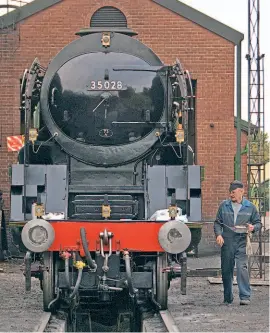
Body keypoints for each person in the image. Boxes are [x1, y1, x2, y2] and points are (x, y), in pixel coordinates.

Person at [214, 180, 261, 305]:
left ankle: (245, 296)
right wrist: (218, 234)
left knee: (242, 268)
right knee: (226, 270)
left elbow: (258, 223)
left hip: (242, 241)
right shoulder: (224, 206)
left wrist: (253, 227)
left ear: (241, 192)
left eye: (233, 192)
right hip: (227, 241)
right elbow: (218, 222)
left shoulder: (250, 207)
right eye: (230, 192)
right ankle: (227, 298)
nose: (231, 195)